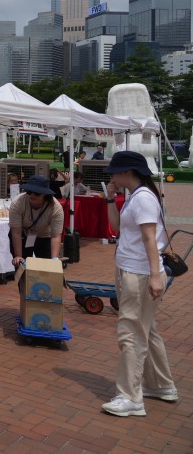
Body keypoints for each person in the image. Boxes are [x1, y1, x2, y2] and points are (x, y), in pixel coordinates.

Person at [101, 151, 177, 416]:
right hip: (132, 269)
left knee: (130, 333)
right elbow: (116, 228)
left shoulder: (143, 198)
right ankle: (160, 385)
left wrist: (155, 276)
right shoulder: (136, 195)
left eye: (114, 171)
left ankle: (130, 396)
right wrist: (110, 198)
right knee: (146, 329)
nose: (111, 175)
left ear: (127, 172)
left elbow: (149, 239)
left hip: (139, 273)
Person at [9, 175, 64, 275]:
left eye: (37, 193)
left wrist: (55, 259)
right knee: (22, 270)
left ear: (44, 194)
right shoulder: (17, 203)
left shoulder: (56, 208)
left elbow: (56, 236)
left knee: (47, 270)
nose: (32, 195)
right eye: (29, 192)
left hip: (44, 235)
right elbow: (16, 232)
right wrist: (18, 256)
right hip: (22, 235)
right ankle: (24, 289)